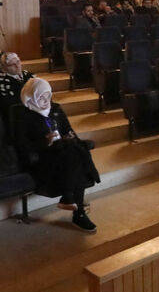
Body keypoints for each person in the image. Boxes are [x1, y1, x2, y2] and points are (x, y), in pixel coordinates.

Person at [15, 78, 100, 232]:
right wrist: (44, 141)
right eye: (41, 97)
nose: (46, 100)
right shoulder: (24, 115)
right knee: (76, 155)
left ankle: (71, 200)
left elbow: (69, 131)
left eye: (48, 96)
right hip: (43, 159)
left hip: (64, 154)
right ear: (31, 97)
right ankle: (77, 212)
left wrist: (70, 137)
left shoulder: (56, 109)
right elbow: (22, 146)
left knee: (74, 150)